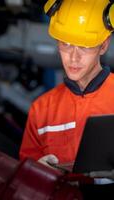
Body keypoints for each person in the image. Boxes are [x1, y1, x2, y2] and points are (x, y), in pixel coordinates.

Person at [19, 0, 114, 168]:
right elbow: (24, 183)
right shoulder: (41, 110)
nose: (73, 57)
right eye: (66, 44)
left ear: (103, 46)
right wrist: (36, 171)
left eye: (84, 46)